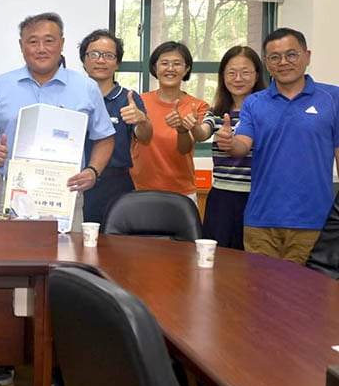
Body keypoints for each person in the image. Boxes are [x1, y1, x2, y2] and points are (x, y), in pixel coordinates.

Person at [0, 13, 115, 386]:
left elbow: (105, 138)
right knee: (10, 275)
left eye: (49, 40)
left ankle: (58, 363)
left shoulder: (85, 87)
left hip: (65, 196)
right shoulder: (1, 85)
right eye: (33, 40)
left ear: (62, 44)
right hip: (14, 196)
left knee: (65, 277)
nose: (41, 47)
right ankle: (7, 357)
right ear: (21, 45)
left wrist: (94, 170)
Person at [216, 28, 339, 263]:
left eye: (291, 55)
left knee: (307, 287)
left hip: (314, 222)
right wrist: (229, 143)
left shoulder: (332, 98)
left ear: (307, 56)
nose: (283, 62)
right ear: (266, 63)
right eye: (275, 57)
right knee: (259, 286)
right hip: (260, 222)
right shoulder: (254, 102)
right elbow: (242, 145)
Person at [185, 46, 266, 249]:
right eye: (231, 73)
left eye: (245, 72)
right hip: (222, 197)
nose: (238, 79)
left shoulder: (267, 111)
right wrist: (193, 126)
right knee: (218, 257)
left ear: (257, 75)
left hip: (258, 196)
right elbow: (203, 133)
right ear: (222, 76)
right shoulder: (217, 112)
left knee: (254, 259)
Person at [78, 29, 152, 222]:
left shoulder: (128, 98)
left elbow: (145, 137)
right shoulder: (73, 96)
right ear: (84, 60)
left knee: (116, 239)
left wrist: (142, 120)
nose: (101, 60)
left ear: (117, 63)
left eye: (108, 55)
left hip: (116, 185)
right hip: (77, 183)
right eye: (94, 54)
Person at [130, 41, 209, 201]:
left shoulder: (198, 106)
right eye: (164, 63)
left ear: (186, 69)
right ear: (155, 68)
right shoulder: (138, 102)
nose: (170, 68)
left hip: (182, 193)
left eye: (177, 64)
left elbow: (185, 148)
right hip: (139, 190)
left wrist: (182, 129)